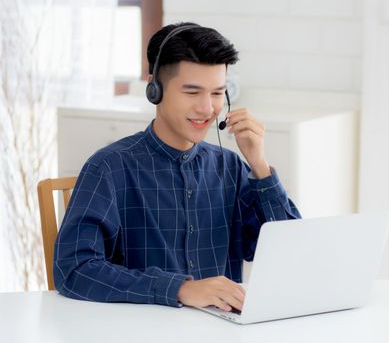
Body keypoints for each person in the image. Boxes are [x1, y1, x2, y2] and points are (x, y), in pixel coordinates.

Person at [53, 22, 301, 313]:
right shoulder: (110, 167)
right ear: (155, 88)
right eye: (192, 92)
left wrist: (259, 165)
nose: (207, 109)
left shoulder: (231, 167)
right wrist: (180, 288)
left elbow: (291, 256)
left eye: (218, 93)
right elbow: (74, 270)